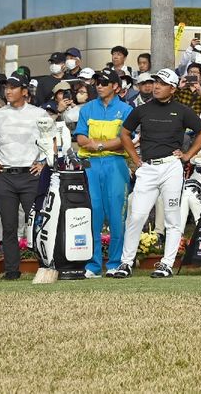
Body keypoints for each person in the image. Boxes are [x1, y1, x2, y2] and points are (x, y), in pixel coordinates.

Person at [116, 69, 201, 279]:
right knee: (137, 216)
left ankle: (166, 264)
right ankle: (126, 263)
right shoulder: (142, 109)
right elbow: (124, 133)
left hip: (171, 166)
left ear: (173, 88)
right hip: (147, 168)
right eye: (155, 82)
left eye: (162, 83)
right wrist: (135, 158)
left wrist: (187, 156)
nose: (156, 86)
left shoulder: (182, 110)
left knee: (172, 217)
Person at [0, 72, 50, 281]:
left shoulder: (39, 114)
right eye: (6, 87)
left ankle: (45, 265)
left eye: (13, 87)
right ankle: (11, 271)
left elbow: (51, 141)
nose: (8, 91)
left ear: (25, 91)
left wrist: (44, 163)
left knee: (37, 223)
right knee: (8, 225)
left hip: (31, 175)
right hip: (5, 175)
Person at [73, 68, 133, 279]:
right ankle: (94, 264)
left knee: (117, 214)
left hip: (115, 164)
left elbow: (125, 140)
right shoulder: (87, 108)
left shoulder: (126, 110)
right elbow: (80, 137)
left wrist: (97, 145)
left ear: (116, 87)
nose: (99, 85)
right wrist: (101, 146)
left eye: (104, 82)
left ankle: (115, 263)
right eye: (97, 82)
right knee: (94, 213)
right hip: (91, 165)